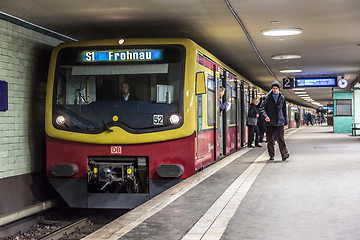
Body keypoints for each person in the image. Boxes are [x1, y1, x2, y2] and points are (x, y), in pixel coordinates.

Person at [259, 80, 289, 161]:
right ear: (271, 89)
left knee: (281, 139)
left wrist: (285, 121)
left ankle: (284, 153)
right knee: (270, 140)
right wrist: (265, 116)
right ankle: (271, 155)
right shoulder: (266, 98)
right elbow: (262, 108)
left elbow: (284, 110)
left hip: (279, 121)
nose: (275, 90)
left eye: (276, 88)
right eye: (273, 88)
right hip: (269, 122)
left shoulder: (282, 98)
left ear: (279, 89)